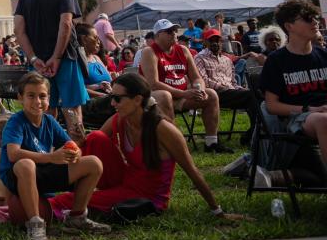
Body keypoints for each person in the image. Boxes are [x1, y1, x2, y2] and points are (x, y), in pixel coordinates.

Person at [49, 73, 247, 221]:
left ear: (137, 100)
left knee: (68, 200)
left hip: (148, 196)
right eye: (112, 98)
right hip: (126, 181)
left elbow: (192, 171)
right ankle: (54, 183)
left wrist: (217, 211)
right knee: (96, 137)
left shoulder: (162, 129)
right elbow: (90, 145)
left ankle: (41, 207)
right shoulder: (120, 119)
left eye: (118, 99)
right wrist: (78, 139)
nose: (112, 103)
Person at [0, 72, 109, 240]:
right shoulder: (16, 121)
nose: (37, 101)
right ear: (20, 98)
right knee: (26, 164)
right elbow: (13, 154)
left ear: (49, 98)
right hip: (18, 176)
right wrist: (51, 157)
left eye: (42, 96)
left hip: (43, 172)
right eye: (31, 96)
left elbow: (70, 144)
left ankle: (77, 217)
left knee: (94, 163)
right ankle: (35, 225)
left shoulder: (50, 121)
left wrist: (75, 153)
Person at [13, 0, 87, 133]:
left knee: (43, 109)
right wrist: (57, 57)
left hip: (37, 63)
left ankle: (47, 153)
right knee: (72, 109)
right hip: (65, 58)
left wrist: (33, 58)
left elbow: (18, 31)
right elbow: (66, 24)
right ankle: (76, 153)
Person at [139, 19, 230, 153]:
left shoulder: (183, 50)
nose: (174, 34)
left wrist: (200, 89)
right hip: (155, 98)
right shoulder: (149, 52)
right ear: (157, 36)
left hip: (180, 96)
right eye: (169, 31)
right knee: (164, 96)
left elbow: (196, 77)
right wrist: (183, 93)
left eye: (175, 30)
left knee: (211, 94)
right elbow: (153, 84)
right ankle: (175, 144)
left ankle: (211, 143)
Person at [259, 0, 327, 168]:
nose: (315, 22)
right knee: (324, 120)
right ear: (289, 27)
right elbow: (271, 106)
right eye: (307, 18)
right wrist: (308, 109)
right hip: (298, 117)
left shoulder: (323, 55)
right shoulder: (277, 61)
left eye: (315, 17)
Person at [194, 28, 257, 144]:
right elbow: (204, 81)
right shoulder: (200, 58)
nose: (215, 43)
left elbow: (233, 83)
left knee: (254, 94)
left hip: (230, 93)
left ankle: (254, 132)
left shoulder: (227, 60)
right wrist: (223, 87)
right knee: (251, 96)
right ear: (205, 43)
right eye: (211, 40)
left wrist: (240, 88)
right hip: (213, 94)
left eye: (217, 40)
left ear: (221, 42)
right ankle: (253, 135)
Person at [77, 23, 115, 128]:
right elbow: (79, 88)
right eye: (95, 37)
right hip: (94, 102)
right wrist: (104, 95)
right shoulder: (77, 61)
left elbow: (109, 80)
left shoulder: (97, 58)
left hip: (108, 96)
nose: (98, 41)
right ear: (84, 39)